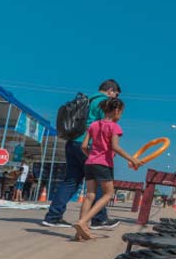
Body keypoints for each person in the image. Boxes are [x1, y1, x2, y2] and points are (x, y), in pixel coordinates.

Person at [43, 79, 122, 230]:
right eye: (116, 95)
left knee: (71, 180)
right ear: (110, 90)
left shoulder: (86, 100)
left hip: (72, 142)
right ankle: (99, 219)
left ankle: (53, 217)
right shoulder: (104, 102)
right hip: (88, 145)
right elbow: (104, 127)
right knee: (99, 181)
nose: (115, 99)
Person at [74, 98, 141, 240]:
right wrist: (132, 159)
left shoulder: (93, 125)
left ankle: (79, 232)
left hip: (90, 163)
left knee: (90, 195)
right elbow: (115, 147)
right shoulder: (114, 127)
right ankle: (83, 222)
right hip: (103, 164)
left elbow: (84, 146)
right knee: (108, 194)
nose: (120, 115)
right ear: (117, 110)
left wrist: (92, 157)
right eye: (121, 113)